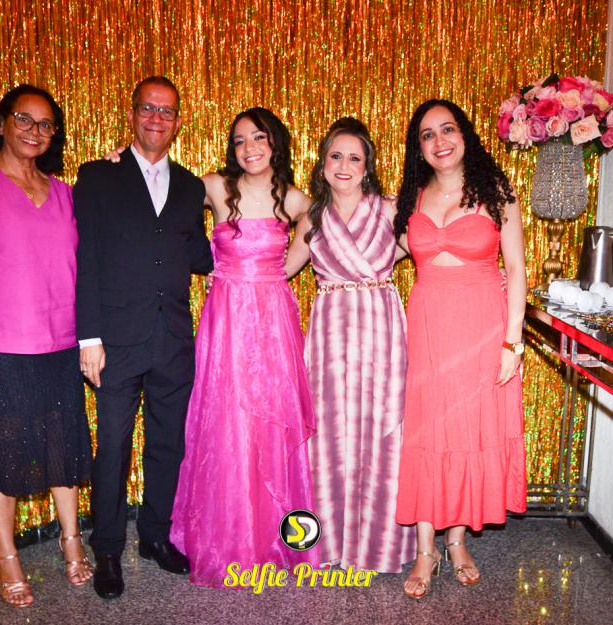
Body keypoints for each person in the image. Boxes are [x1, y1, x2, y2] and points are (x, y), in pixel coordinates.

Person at [74, 76, 213, 600]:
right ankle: (108, 547)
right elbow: (86, 260)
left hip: (172, 339)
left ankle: (155, 535)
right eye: (148, 108)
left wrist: (242, 222)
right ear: (132, 114)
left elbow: (198, 255)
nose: (157, 118)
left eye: (167, 111)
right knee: (112, 446)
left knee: (167, 443)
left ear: (178, 123)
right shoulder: (97, 176)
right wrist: (88, 337)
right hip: (115, 339)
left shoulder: (191, 187)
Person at [169, 107, 319, 588]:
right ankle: (229, 537)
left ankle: (276, 537)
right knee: (227, 423)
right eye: (239, 140)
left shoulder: (295, 199)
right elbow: (162, 192)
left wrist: (276, 273)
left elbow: (314, 233)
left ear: (275, 142)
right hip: (227, 322)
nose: (249, 148)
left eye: (258, 137)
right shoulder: (215, 187)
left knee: (270, 422)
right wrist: (121, 161)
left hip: (272, 321)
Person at [394, 99, 527, 599]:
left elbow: (517, 269)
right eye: (427, 134)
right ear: (419, 148)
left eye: (447, 129)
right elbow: (384, 250)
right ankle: (425, 549)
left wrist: (512, 342)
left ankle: (456, 541)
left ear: (464, 135)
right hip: (429, 326)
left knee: (468, 430)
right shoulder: (411, 197)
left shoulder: (497, 193)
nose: (439, 141)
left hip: (482, 328)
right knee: (428, 430)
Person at [284, 117, 416, 573]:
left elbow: (429, 248)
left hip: (381, 330)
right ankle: (327, 546)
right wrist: (228, 269)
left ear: (367, 166)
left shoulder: (391, 210)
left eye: (354, 158)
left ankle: (379, 547)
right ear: (322, 164)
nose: (344, 166)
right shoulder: (312, 218)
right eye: (335, 156)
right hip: (331, 337)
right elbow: (279, 271)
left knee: (382, 428)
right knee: (331, 433)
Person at [0, 85, 93, 608]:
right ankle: (6, 554)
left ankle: (71, 539)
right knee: (2, 457)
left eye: (45, 124)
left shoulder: (65, 193)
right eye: (24, 119)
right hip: (3, 347)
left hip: (61, 344)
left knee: (63, 449)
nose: (34, 131)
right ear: (2, 122)